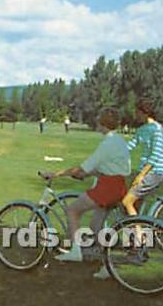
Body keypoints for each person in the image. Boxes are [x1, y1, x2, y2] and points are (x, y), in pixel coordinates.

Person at [41, 108, 130, 263]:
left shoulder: (107, 144)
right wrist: (85, 174)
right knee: (96, 224)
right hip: (119, 186)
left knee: (73, 210)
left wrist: (56, 174)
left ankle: (75, 251)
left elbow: (82, 168)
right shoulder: (119, 140)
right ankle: (106, 265)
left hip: (108, 187)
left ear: (102, 124)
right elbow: (106, 168)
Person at [123, 98, 163, 217]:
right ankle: (132, 233)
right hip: (144, 171)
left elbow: (155, 156)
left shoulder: (157, 130)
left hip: (154, 172)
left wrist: (141, 175)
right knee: (132, 205)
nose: (135, 115)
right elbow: (130, 145)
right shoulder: (142, 130)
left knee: (127, 201)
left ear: (145, 113)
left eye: (137, 112)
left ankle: (139, 234)